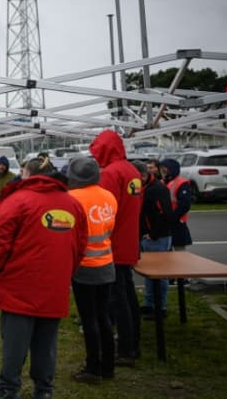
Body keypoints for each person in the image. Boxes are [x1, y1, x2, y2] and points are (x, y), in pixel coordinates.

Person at [0, 157, 87, 399]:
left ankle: (8, 387)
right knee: (46, 342)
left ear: (28, 174)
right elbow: (80, 245)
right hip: (53, 285)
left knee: (15, 343)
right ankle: (44, 389)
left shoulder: (17, 201)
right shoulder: (72, 203)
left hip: (19, 286)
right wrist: (66, 273)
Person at [89, 130, 143, 365]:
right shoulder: (131, 171)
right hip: (129, 241)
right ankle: (134, 342)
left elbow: (104, 210)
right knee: (128, 296)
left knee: (117, 299)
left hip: (114, 245)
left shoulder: (111, 174)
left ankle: (126, 349)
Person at [66, 157, 118, 384]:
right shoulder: (108, 196)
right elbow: (110, 228)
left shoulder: (72, 199)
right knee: (104, 317)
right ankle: (108, 366)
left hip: (84, 267)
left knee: (89, 319)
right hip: (107, 263)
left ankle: (92, 368)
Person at [133, 160, 173, 319]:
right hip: (147, 236)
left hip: (157, 238)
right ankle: (150, 304)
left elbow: (165, 214)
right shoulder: (144, 188)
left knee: (159, 275)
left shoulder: (157, 189)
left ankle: (160, 307)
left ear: (142, 175)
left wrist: (153, 234)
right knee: (149, 274)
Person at [160, 158, 192, 252]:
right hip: (166, 222)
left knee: (179, 250)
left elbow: (185, 204)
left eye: (165, 169)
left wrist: (173, 217)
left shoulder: (181, 183)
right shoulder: (163, 182)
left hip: (177, 222)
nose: (163, 171)